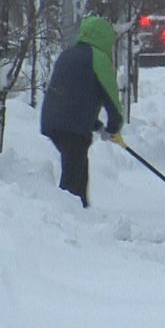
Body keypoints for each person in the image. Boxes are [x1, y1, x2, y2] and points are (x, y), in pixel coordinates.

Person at [40, 16, 124, 207]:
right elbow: (110, 96)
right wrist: (114, 126)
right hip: (72, 126)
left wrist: (96, 124)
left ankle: (80, 210)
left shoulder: (68, 54)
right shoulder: (98, 58)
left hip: (53, 121)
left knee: (77, 166)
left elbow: (75, 94)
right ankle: (64, 213)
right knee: (73, 173)